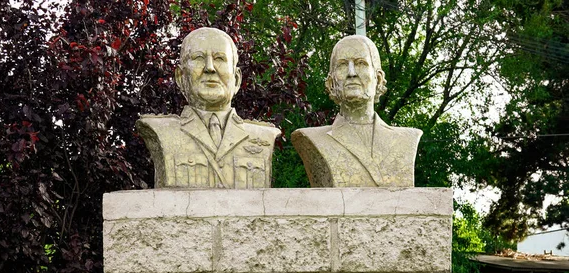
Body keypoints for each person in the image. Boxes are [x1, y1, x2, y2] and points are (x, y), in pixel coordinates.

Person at [137, 27, 280, 189]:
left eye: (220, 58)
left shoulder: (263, 137)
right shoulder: (162, 131)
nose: (210, 67)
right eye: (198, 58)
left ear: (237, 79)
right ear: (180, 77)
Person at [292, 35, 422, 187]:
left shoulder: (406, 139)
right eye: (342, 65)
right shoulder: (310, 138)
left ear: (378, 79)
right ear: (331, 82)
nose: (351, 73)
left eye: (361, 63)